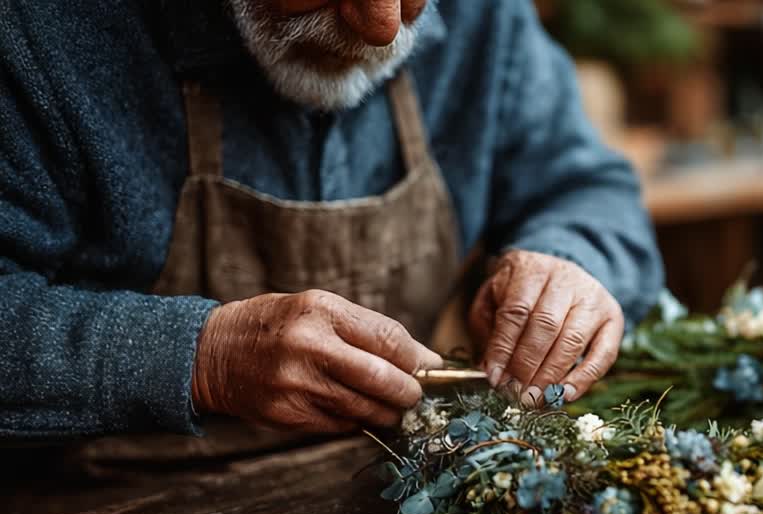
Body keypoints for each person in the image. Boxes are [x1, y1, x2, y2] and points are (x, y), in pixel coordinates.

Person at [0, 0, 663, 469]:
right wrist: (202, 359)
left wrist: (570, 261)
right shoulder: (44, 31)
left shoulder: (483, 14)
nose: (380, 25)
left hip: (392, 500)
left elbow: (587, 190)